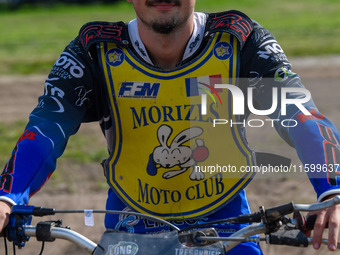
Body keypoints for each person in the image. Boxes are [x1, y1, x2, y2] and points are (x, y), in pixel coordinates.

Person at [0, 0, 340, 253]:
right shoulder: (95, 51)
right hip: (128, 235)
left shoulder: (240, 40)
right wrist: (6, 198)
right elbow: (46, 128)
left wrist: (333, 190)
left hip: (228, 233)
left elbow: (300, 114)